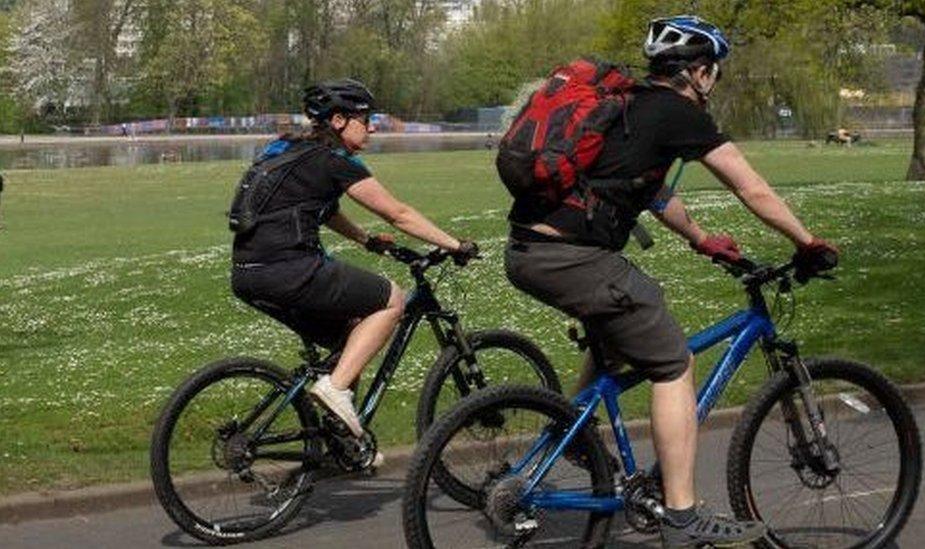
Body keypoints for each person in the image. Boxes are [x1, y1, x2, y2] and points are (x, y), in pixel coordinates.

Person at [503, 16, 838, 548]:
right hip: (573, 257)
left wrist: (700, 237)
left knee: (614, 340)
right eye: (715, 73)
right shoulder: (679, 113)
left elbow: (646, 191)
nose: (713, 82)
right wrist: (808, 242)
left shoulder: (627, 105)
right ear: (700, 72)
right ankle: (682, 516)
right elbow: (752, 189)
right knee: (672, 363)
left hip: (527, 249)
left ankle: (575, 433)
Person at [231, 79, 477, 454]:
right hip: (289, 268)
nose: (373, 127)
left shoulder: (286, 148)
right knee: (391, 301)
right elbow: (398, 213)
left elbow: (322, 209)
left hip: (248, 273)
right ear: (340, 120)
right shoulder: (336, 161)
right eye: (367, 119)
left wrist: (366, 240)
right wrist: (455, 244)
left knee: (353, 333)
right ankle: (335, 389)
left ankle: (338, 445)